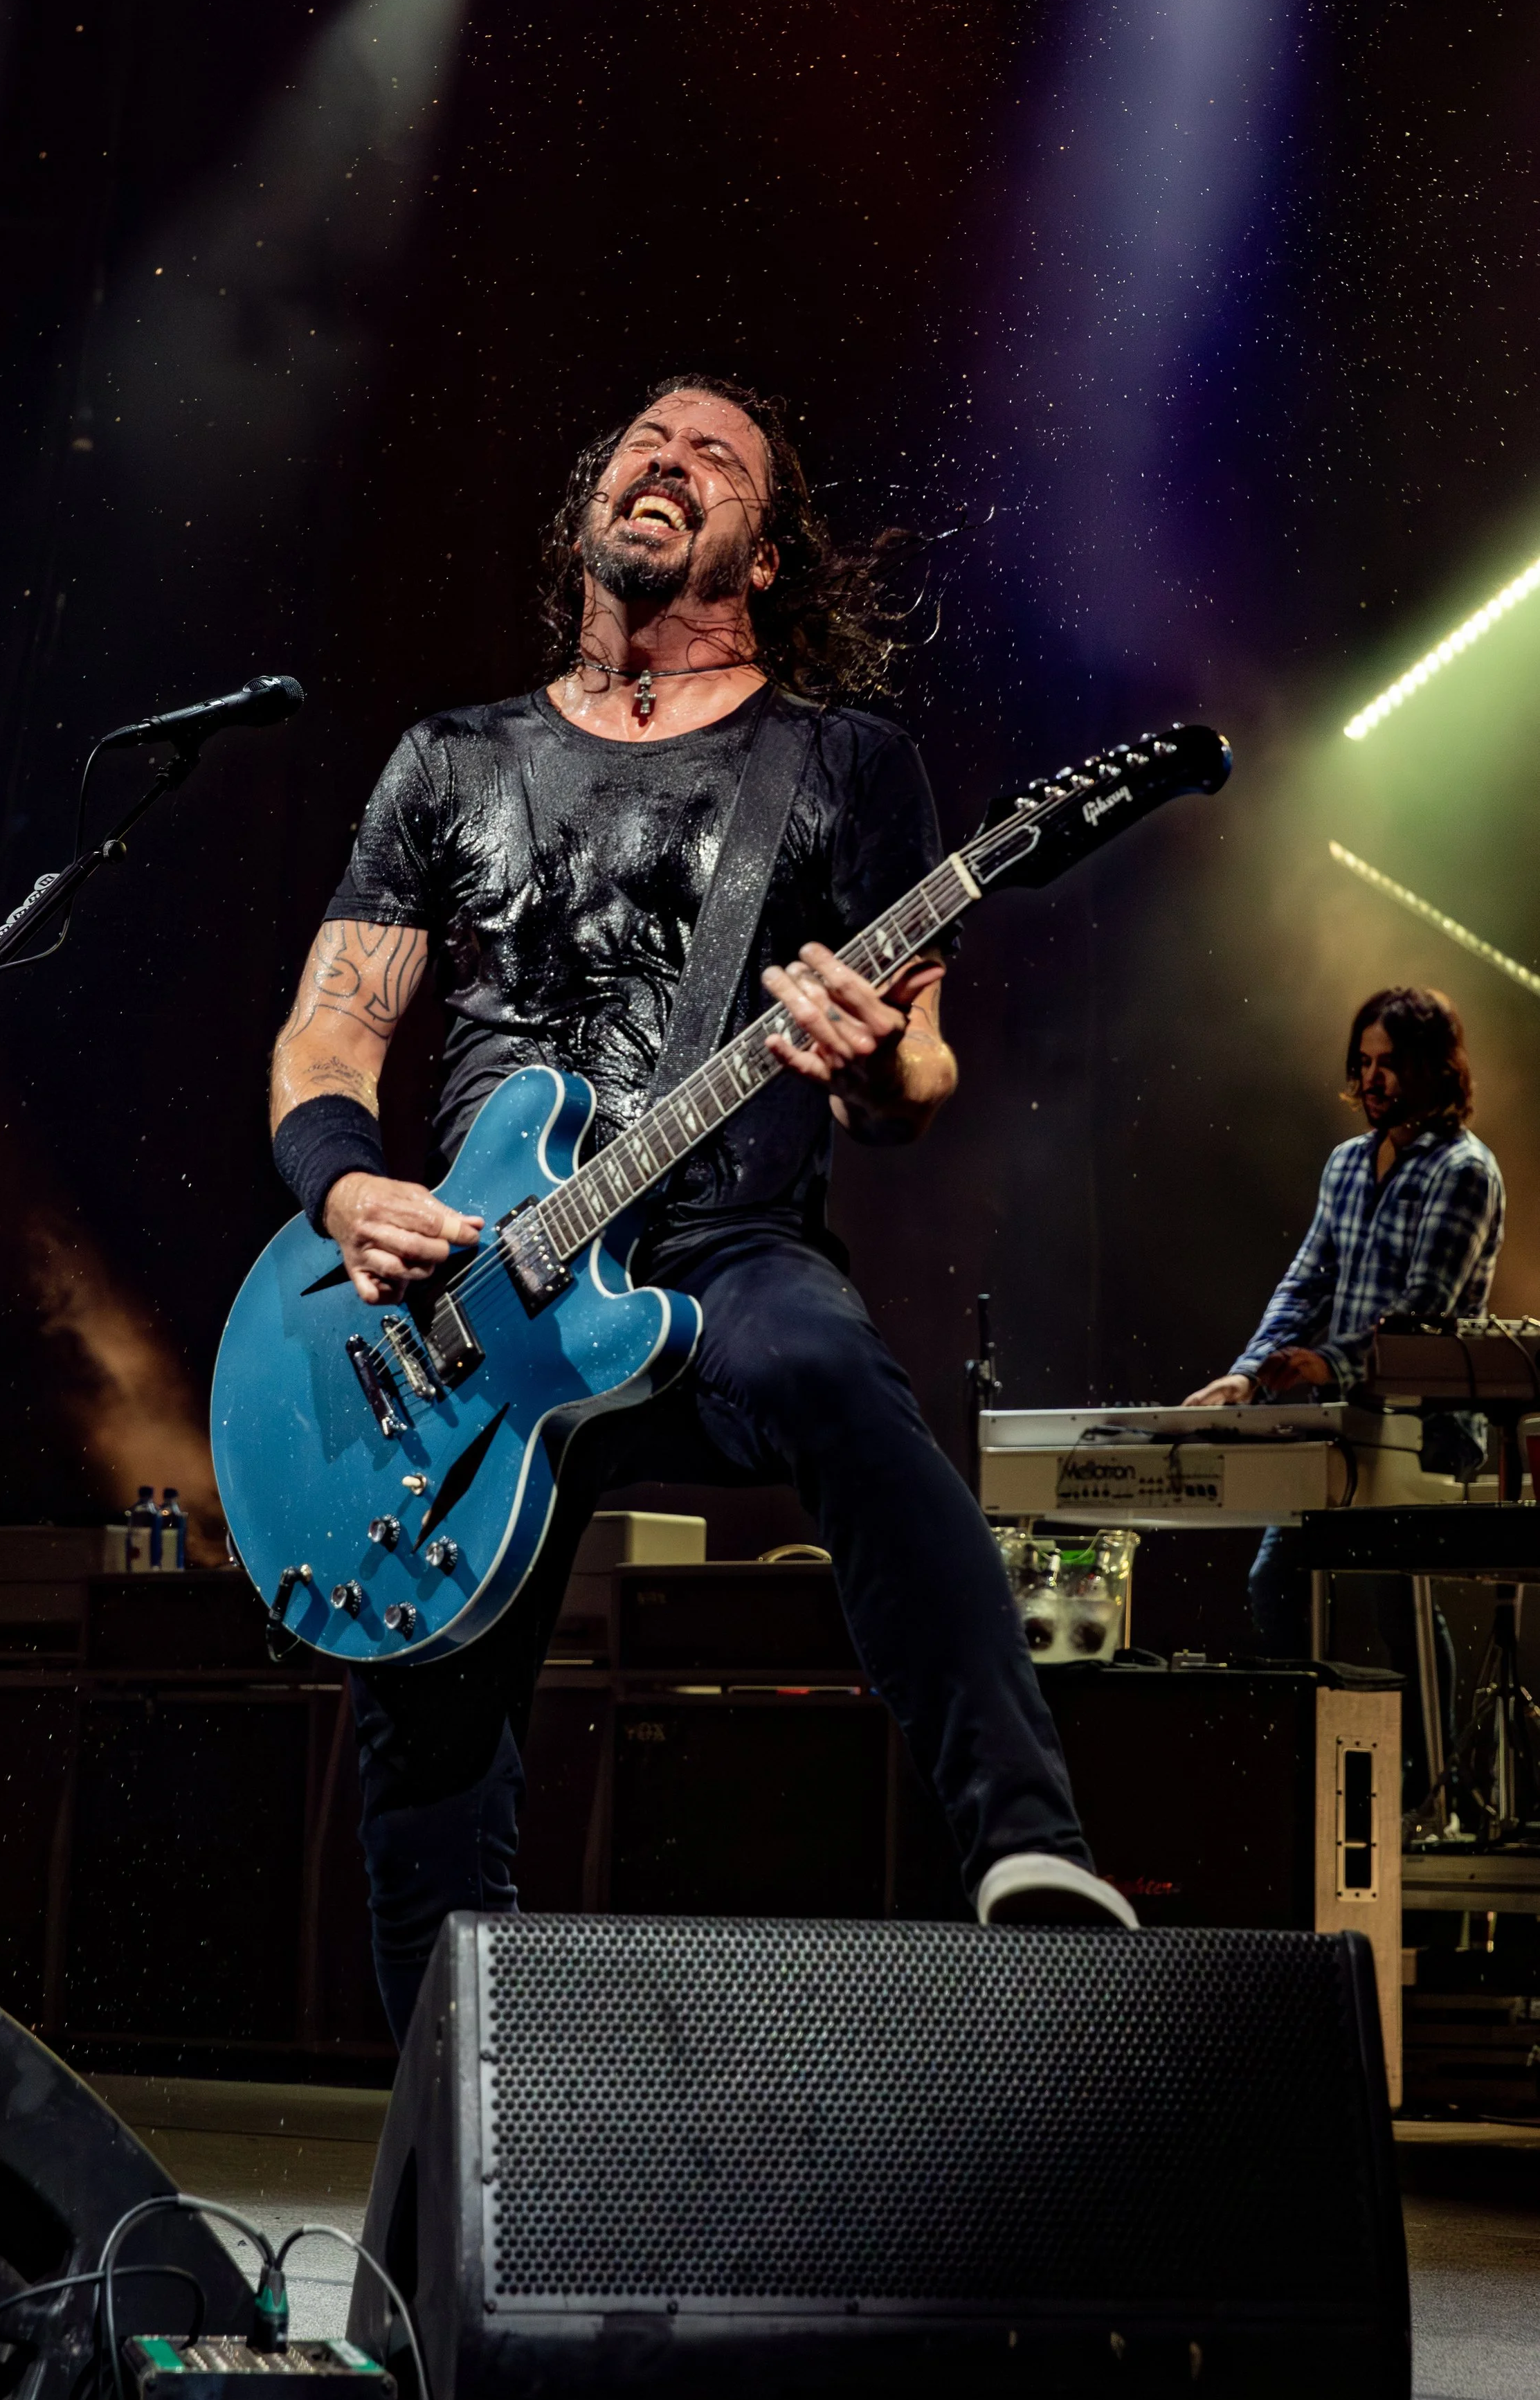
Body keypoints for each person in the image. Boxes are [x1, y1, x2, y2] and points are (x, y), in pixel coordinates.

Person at [268, 375, 1134, 2037]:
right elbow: (331, 1027)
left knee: (831, 1376)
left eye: (713, 454)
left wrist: (870, 1061)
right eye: (639, 442)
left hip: (715, 1243)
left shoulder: (842, 765)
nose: (664, 458)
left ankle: (1028, 1848)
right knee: (427, 1692)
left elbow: (920, 1075)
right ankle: (458, 2143)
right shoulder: (449, 760)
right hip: (469, 1286)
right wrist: (350, 1180)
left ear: (767, 548)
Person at [1186, 986, 1504, 1763]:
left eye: (1390, 1064)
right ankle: (1317, 1762)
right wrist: (1250, 1377)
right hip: (1340, 1423)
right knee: (1276, 1585)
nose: (1372, 1080)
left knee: (1394, 1603)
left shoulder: (1463, 1170)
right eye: (1362, 1063)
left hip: (1420, 1430)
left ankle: (1429, 1788)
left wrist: (1324, 1362)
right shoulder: (1346, 1164)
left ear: (1436, 1070)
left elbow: (1420, 1314)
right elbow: (1304, 1285)